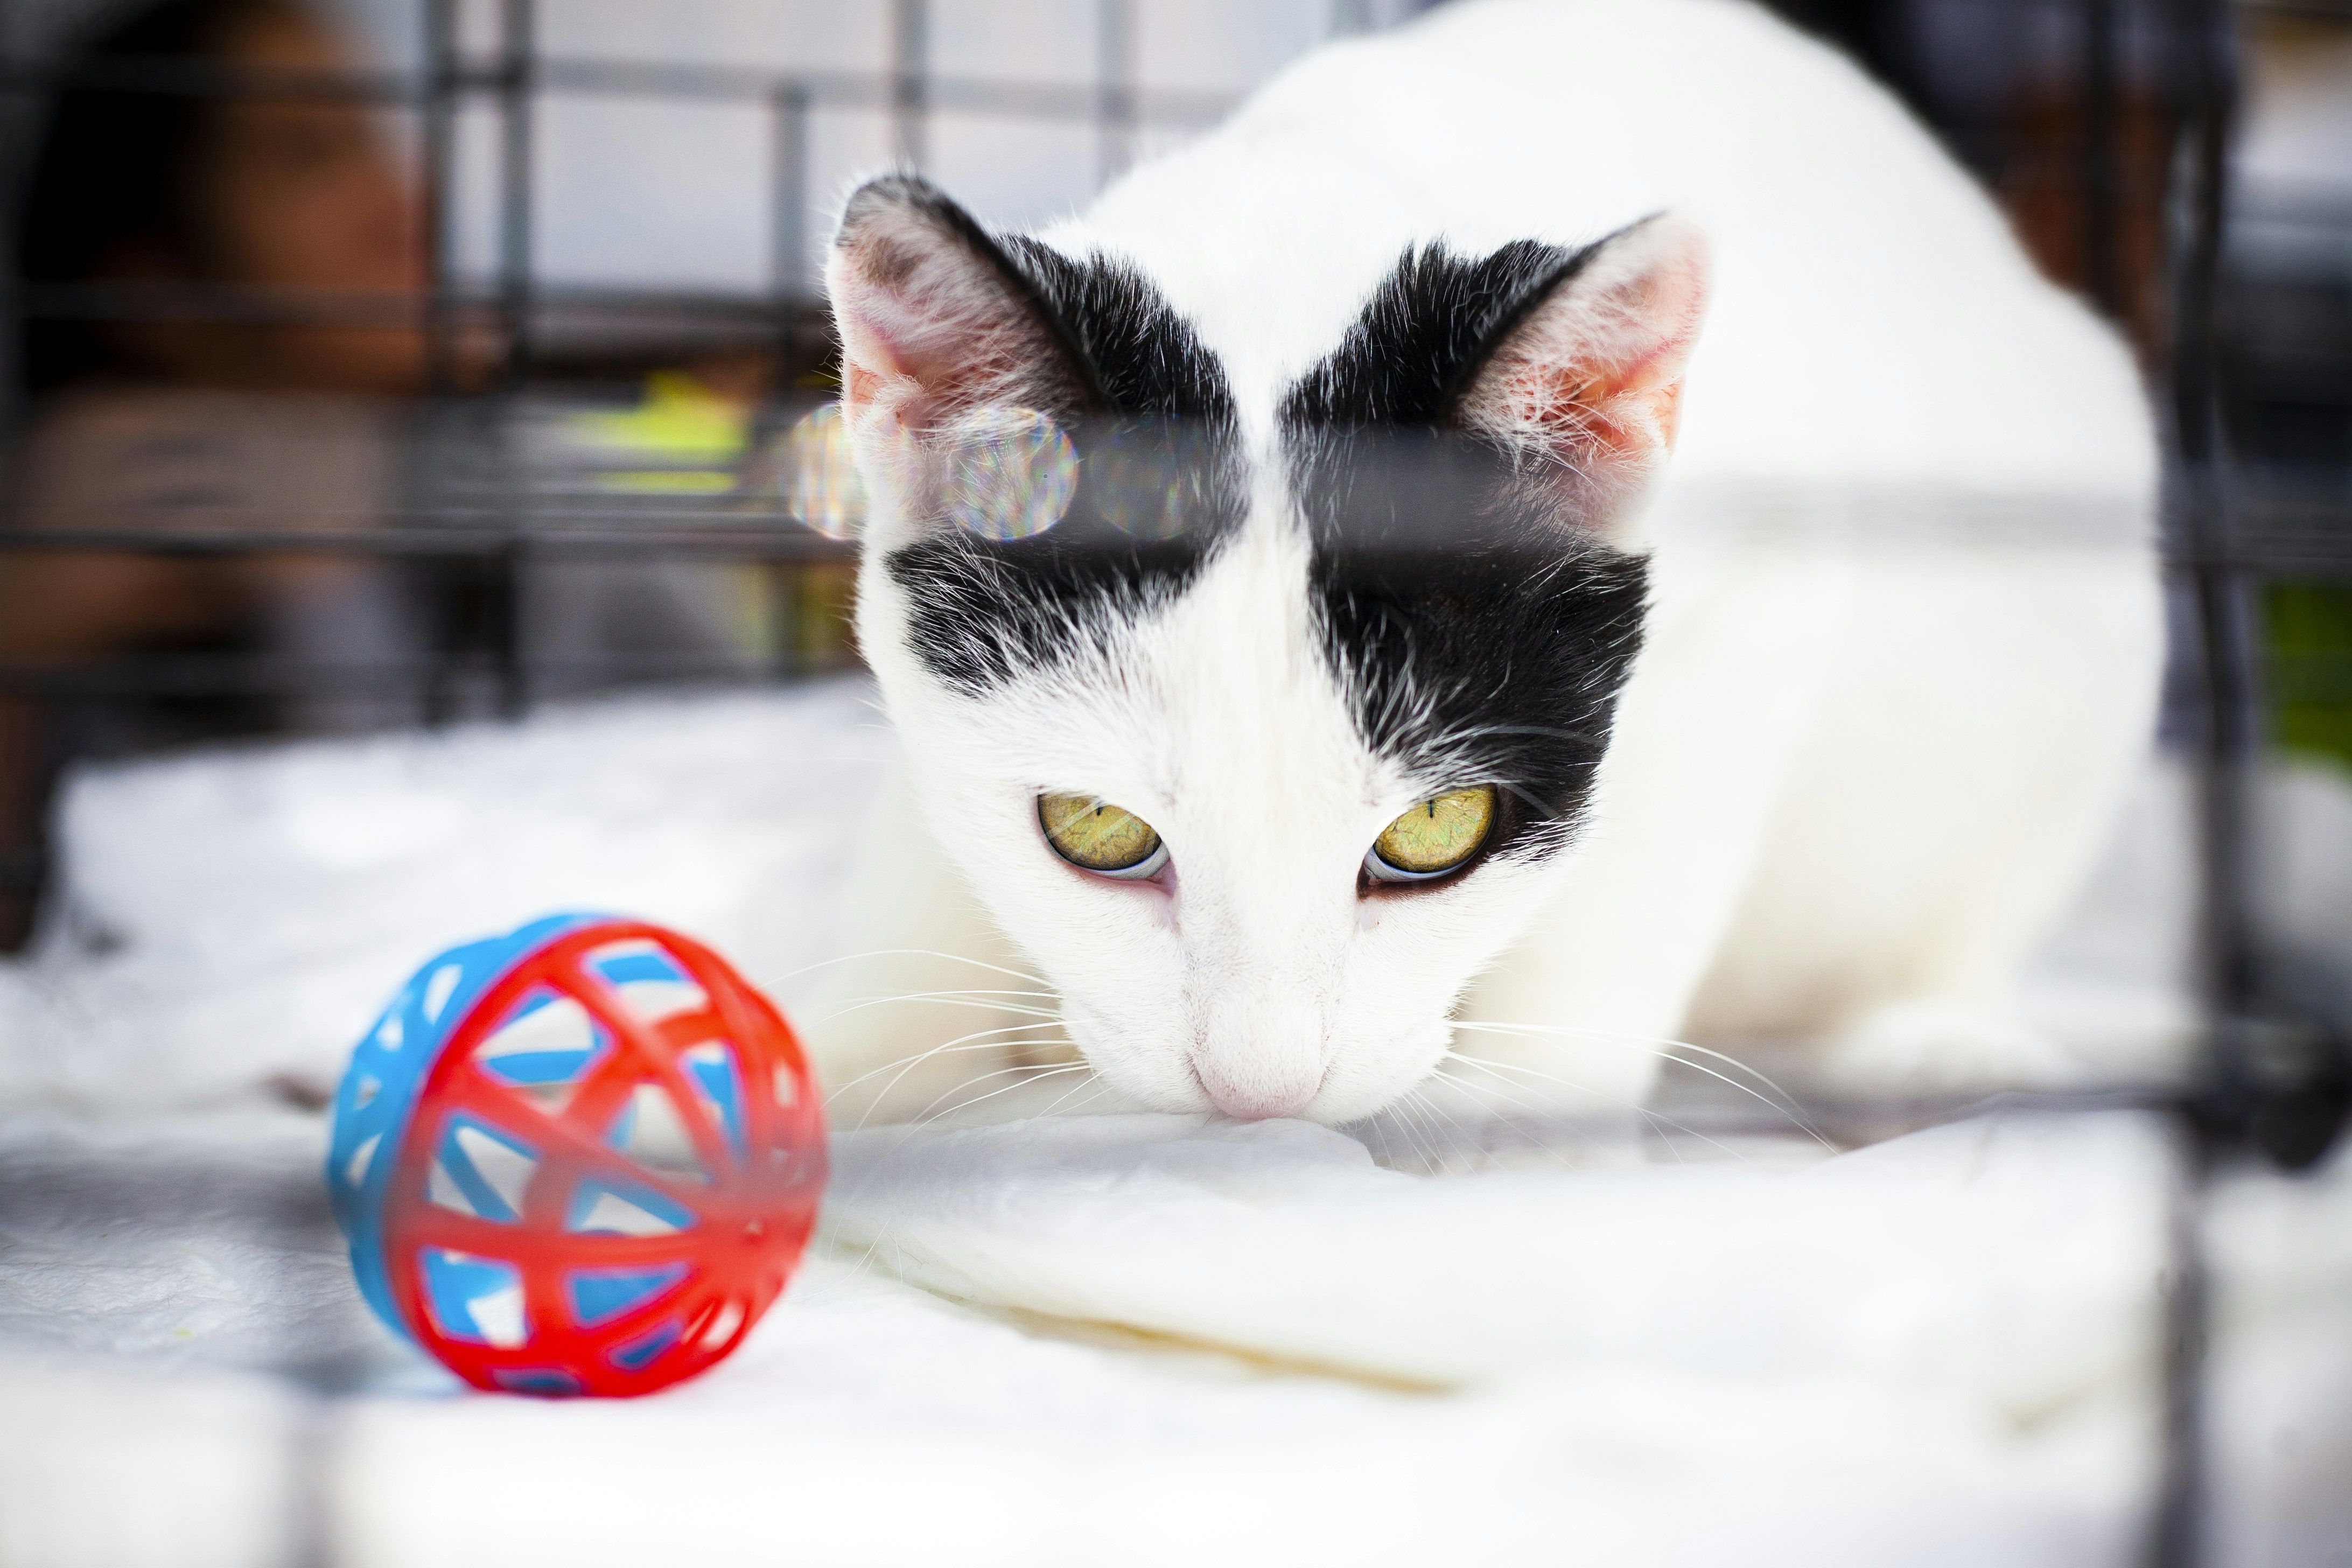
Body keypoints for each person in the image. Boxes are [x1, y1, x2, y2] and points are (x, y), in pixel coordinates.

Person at [1, 0, 437, 948]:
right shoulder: (93, 511)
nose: (398, 197)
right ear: (148, 284)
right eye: (307, 156)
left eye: (375, 138)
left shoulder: (510, 505)